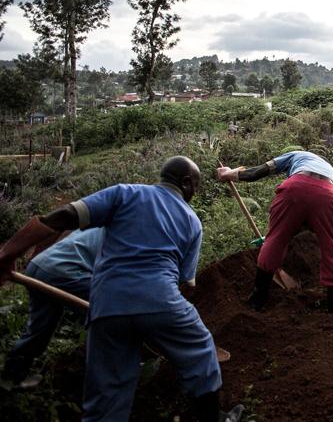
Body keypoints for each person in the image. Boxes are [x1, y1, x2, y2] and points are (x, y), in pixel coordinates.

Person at [0, 156, 242, 422]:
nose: (195, 193)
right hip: (160, 299)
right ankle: (213, 418)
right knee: (200, 351)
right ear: (186, 183)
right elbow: (185, 282)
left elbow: (63, 216)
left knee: (107, 393)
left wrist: (7, 253)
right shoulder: (191, 220)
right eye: (195, 186)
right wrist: (161, 327)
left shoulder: (124, 193)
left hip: (106, 305)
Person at [217, 148, 333, 312]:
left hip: (295, 188)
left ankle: (258, 299)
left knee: (275, 241)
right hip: (328, 194)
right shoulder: (331, 172)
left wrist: (228, 174)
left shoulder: (297, 155)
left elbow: (257, 172)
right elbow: (316, 217)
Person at [1, 228, 104, 387]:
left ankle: (13, 375)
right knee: (111, 317)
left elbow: (57, 225)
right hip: (67, 271)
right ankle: (96, 377)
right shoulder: (138, 232)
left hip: (40, 264)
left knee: (40, 327)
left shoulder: (103, 219)